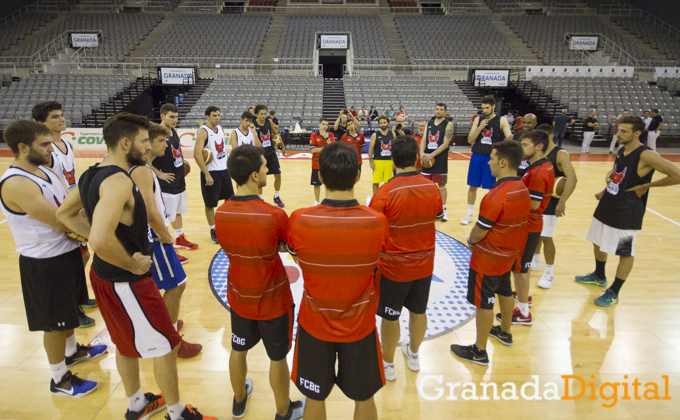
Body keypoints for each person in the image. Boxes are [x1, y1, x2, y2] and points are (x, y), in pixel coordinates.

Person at [56, 113, 216, 420]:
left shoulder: (91, 174)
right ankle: (177, 412)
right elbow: (100, 241)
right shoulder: (118, 181)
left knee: (124, 344)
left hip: (104, 276)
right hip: (127, 280)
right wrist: (130, 259)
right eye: (144, 140)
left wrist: (103, 240)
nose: (148, 146)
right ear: (125, 142)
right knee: (167, 345)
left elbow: (65, 214)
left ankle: (136, 405)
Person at [1, 120, 105, 398]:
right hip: (44, 263)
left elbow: (69, 209)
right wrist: (97, 237)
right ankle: (60, 379)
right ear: (22, 147)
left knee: (68, 313)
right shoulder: (17, 183)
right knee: (54, 324)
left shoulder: (43, 172)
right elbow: (60, 220)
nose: (51, 149)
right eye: (44, 145)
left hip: (64, 253)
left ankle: (72, 352)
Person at [288, 142, 389, 420]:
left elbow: (296, 256)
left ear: (320, 176)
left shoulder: (298, 219)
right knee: (364, 398)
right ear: (358, 175)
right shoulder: (378, 221)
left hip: (314, 325)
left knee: (314, 398)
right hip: (360, 327)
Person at [215, 144, 306, 420]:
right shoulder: (275, 215)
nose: (268, 169)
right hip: (273, 300)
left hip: (240, 296)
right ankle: (283, 411)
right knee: (277, 358)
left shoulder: (220, 214)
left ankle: (239, 401)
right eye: (265, 166)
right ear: (255, 175)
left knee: (238, 348)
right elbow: (289, 246)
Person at [576, 116, 680, 306]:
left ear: (637, 133)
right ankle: (599, 275)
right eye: (619, 130)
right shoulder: (623, 149)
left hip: (628, 210)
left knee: (625, 252)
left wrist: (647, 185)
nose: (618, 134)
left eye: (624, 131)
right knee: (597, 241)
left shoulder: (646, 154)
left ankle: (614, 291)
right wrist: (605, 190)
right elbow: (619, 175)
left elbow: (677, 175)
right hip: (609, 202)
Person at [450, 141, 530, 365]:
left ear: (503, 162)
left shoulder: (495, 196)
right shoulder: (523, 188)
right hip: (509, 255)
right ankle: (505, 331)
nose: (489, 162)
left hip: (488, 260)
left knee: (484, 303)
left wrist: (469, 240)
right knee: (505, 292)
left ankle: (479, 351)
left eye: (492, 159)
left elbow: (479, 232)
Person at [369, 135, 442, 380]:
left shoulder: (384, 193)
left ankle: (387, 365)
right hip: (424, 263)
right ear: (416, 158)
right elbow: (437, 215)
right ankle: (413, 353)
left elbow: (374, 232)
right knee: (419, 311)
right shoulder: (432, 187)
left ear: (392, 159)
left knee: (391, 315)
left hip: (394, 268)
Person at [129, 123, 203, 359]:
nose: (166, 144)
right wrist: (167, 236)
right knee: (176, 285)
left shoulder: (141, 168)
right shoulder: (141, 170)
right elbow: (150, 212)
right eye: (162, 141)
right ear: (148, 142)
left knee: (161, 286)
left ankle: (161, 327)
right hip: (156, 239)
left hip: (152, 237)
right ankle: (171, 340)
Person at [32, 101, 97, 328]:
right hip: (61, 210)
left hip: (74, 205)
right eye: (55, 117)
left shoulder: (66, 144)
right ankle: (72, 308)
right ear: (41, 123)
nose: (61, 119)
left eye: (61, 115)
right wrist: (69, 209)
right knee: (71, 261)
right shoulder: (45, 151)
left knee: (83, 256)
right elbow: (51, 182)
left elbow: (72, 177)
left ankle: (80, 297)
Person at [498, 131, 554, 326]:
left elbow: (534, 204)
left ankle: (523, 313)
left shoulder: (538, 173)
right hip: (530, 225)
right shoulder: (538, 167)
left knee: (521, 269)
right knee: (523, 266)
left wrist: (508, 199)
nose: (522, 148)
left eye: (526, 144)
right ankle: (525, 297)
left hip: (528, 225)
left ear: (539, 146)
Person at [530, 124, 578, 288]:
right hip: (537, 200)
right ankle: (535, 259)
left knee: (546, 236)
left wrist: (563, 201)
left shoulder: (560, 153)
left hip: (551, 203)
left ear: (550, 136)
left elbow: (572, 179)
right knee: (534, 232)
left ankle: (549, 272)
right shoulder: (538, 153)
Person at [151, 103, 199, 257]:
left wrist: (182, 164)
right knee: (165, 217)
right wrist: (158, 173)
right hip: (166, 184)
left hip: (178, 180)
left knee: (178, 212)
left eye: (176, 117)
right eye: (171, 117)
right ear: (162, 116)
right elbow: (145, 159)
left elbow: (176, 152)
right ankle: (168, 247)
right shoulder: (156, 135)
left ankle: (179, 238)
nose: (175, 120)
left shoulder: (174, 131)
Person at [462, 95, 513, 225]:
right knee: (472, 186)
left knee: (492, 189)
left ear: (493, 107)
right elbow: (470, 140)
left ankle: (490, 215)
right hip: (477, 155)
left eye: (487, 108)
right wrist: (479, 127)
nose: (484, 110)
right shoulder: (478, 119)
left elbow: (509, 138)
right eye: (483, 108)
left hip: (493, 158)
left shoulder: (502, 120)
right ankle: (469, 215)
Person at [194, 106, 233, 244]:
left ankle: (225, 225)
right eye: (214, 115)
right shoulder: (204, 131)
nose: (217, 117)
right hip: (211, 173)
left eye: (218, 115)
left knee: (229, 200)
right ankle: (213, 229)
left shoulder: (221, 128)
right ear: (207, 117)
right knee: (210, 204)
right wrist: (206, 173)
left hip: (224, 170)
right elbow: (197, 153)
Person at [420, 103, 454, 222]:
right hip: (427, 159)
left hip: (439, 160)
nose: (438, 111)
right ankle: (427, 209)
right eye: (437, 109)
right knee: (427, 186)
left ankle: (443, 210)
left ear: (445, 111)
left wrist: (431, 155)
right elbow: (424, 140)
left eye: (441, 109)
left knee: (441, 186)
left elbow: (445, 144)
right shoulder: (429, 123)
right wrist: (422, 154)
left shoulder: (448, 124)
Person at [252, 104, 286, 207]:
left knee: (278, 175)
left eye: (265, 113)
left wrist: (282, 146)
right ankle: (261, 199)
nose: (263, 116)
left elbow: (276, 133)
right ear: (257, 114)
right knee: (260, 179)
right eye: (261, 114)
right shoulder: (253, 125)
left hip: (271, 153)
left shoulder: (269, 121)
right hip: (260, 155)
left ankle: (276, 196)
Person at [309, 118, 335, 205]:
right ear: (319, 124)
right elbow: (313, 150)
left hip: (328, 164)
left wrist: (326, 137)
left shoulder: (330, 135)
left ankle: (328, 200)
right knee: (316, 184)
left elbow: (333, 148)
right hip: (316, 164)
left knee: (328, 184)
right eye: (323, 124)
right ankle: (317, 201)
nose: (325, 126)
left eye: (326, 125)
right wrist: (326, 149)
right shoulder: (313, 135)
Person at [368, 116, 394, 194]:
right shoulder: (375, 135)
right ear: (379, 124)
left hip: (389, 161)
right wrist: (371, 162)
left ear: (388, 123)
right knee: (376, 182)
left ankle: (387, 198)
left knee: (388, 182)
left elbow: (394, 149)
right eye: (381, 123)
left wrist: (394, 161)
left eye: (384, 123)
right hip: (377, 161)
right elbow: (370, 149)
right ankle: (375, 197)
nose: (383, 124)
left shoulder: (392, 134)